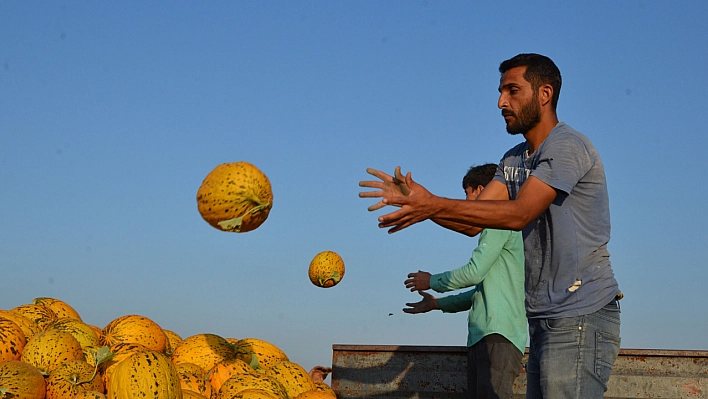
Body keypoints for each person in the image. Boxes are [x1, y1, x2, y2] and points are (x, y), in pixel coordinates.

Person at [359, 53, 621, 399]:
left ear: (545, 94)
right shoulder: (513, 159)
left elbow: (518, 214)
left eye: (513, 91)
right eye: (500, 92)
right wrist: (422, 204)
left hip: (581, 314)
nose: (501, 102)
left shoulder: (567, 146)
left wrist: (432, 204)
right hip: (543, 317)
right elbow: (473, 221)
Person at [403, 163, 526, 399]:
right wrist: (437, 304)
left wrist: (432, 281)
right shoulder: (498, 227)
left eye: (467, 195)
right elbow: (480, 292)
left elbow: (474, 273)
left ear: (481, 190)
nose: (466, 203)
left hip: (498, 336)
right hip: (489, 336)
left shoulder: (498, 222)